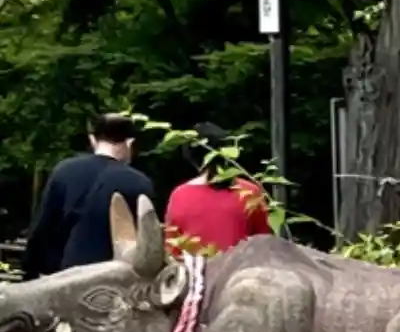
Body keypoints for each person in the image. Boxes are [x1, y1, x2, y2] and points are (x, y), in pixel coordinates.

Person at [22, 113, 154, 278]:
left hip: (61, 276)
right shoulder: (139, 183)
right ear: (130, 142)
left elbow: (43, 226)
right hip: (110, 279)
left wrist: (31, 270)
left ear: (92, 139)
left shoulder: (64, 171)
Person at [163, 123, 271, 256]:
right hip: (242, 267)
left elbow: (173, 251)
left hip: (198, 269)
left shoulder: (179, 196)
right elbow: (265, 246)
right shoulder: (250, 192)